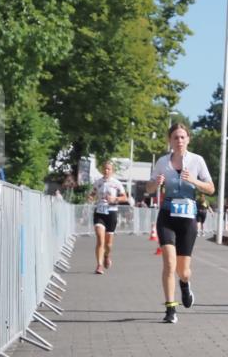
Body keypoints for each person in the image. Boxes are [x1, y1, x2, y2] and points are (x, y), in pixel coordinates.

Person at [145, 123, 216, 324]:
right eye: (175, 137)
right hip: (167, 216)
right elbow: (149, 189)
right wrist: (155, 183)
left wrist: (194, 181)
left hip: (187, 219)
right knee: (169, 263)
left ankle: (185, 285)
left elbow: (211, 188)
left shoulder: (197, 161)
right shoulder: (162, 162)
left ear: (188, 139)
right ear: (170, 140)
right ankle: (170, 309)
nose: (179, 141)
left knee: (183, 271)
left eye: (183, 137)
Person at [88, 160, 129, 274]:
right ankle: (99, 265)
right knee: (100, 239)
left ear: (112, 171)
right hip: (99, 212)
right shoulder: (98, 182)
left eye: (108, 169)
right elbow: (92, 193)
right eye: (105, 169)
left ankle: (106, 255)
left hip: (111, 213)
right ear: (102, 170)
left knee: (108, 244)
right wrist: (90, 197)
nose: (106, 171)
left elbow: (125, 198)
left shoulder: (117, 183)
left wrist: (115, 199)